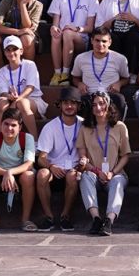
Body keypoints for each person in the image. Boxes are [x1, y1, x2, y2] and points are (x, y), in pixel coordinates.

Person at [77, 90, 130, 235]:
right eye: (94, 105)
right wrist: (97, 171)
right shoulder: (85, 128)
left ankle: (109, 221)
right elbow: (83, 157)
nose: (98, 108)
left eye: (101, 103)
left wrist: (112, 173)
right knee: (85, 177)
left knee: (118, 182)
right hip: (94, 173)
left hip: (115, 173)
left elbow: (125, 155)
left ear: (108, 105)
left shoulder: (119, 126)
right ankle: (96, 218)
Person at [34, 88, 86, 231]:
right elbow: (41, 158)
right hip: (54, 170)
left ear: (78, 106)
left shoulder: (84, 124)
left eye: (73, 103)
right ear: (60, 105)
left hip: (74, 169)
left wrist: (82, 163)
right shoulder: (50, 127)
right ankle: (48, 217)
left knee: (72, 176)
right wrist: (51, 167)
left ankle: (65, 216)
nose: (69, 106)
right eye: (66, 103)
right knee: (42, 174)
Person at [0, 109, 36, 232]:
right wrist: (5, 173)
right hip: (0, 175)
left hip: (20, 176)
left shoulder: (27, 138)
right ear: (1, 124)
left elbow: (29, 165)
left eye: (13, 125)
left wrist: (10, 172)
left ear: (20, 127)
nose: (9, 128)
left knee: (29, 176)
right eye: (6, 124)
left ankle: (26, 220)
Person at [47, 0, 99, 86]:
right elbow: (55, 24)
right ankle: (57, 73)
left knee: (68, 33)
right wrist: (54, 28)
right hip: (63, 36)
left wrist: (76, 28)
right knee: (56, 35)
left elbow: (90, 28)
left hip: (82, 38)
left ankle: (65, 74)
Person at [72, 26, 129, 120]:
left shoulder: (120, 59)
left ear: (110, 42)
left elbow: (126, 79)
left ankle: (115, 127)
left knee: (120, 99)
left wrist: (119, 83)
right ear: (92, 41)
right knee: (81, 101)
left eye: (104, 41)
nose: (100, 44)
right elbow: (75, 77)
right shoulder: (81, 58)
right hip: (89, 95)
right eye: (97, 40)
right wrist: (79, 84)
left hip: (110, 94)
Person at [0, 34, 46, 125]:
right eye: (8, 50)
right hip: (12, 101)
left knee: (22, 103)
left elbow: (30, 88)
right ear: (4, 52)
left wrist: (17, 100)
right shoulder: (2, 71)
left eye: (15, 49)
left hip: (33, 100)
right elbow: (3, 92)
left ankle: (34, 135)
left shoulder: (30, 65)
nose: (11, 52)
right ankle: (2, 133)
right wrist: (9, 96)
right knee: (2, 105)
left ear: (21, 51)